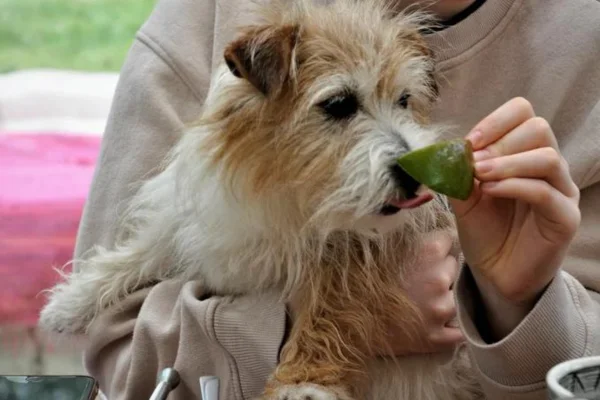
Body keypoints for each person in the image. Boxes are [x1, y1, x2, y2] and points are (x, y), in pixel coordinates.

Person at [71, 0, 600, 399]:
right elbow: (110, 342)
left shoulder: (586, 40)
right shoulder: (205, 17)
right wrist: (292, 328)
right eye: (338, 106)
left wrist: (520, 303)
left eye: (404, 101)